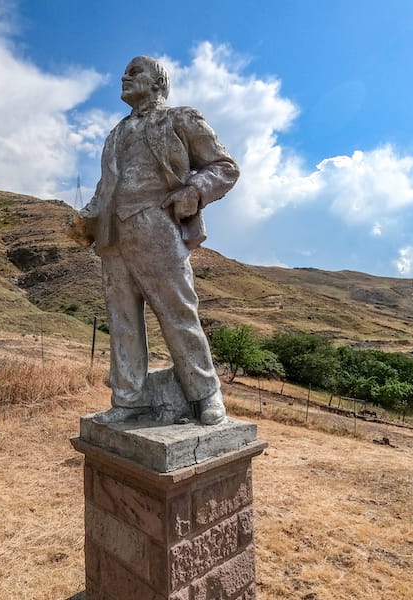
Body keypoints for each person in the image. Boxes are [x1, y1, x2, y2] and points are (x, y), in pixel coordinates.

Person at [68, 55, 239, 425]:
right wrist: (88, 217)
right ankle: (128, 400)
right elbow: (106, 187)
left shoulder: (180, 119)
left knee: (178, 312)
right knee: (122, 320)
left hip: (156, 224)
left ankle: (206, 393)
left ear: (158, 83)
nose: (124, 77)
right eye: (124, 72)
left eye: (135, 72)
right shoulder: (114, 135)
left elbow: (224, 167)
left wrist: (195, 189)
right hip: (114, 234)